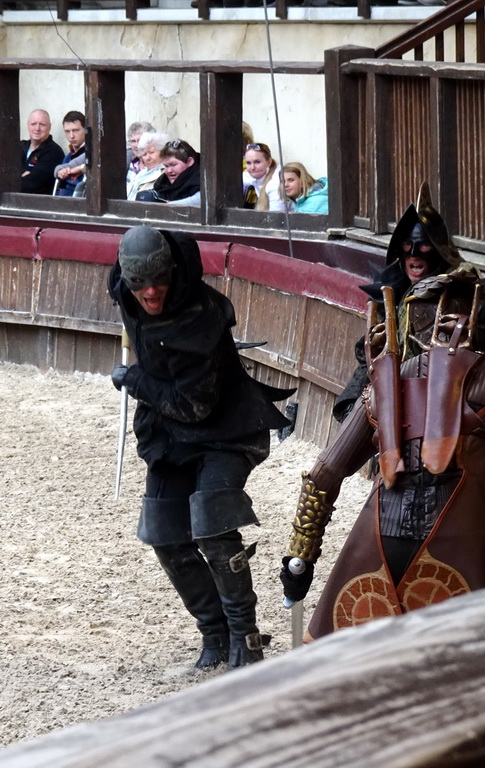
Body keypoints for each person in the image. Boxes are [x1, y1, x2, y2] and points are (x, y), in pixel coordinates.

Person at [279, 269, 485, 641]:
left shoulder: (382, 385)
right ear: (477, 320)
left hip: (379, 542)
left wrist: (301, 556)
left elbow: (327, 471)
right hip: (466, 542)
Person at [108, 226, 293, 670]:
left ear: (174, 271)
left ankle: (245, 641)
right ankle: (215, 634)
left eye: (158, 281)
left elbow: (193, 406)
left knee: (212, 522)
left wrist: (133, 380)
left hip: (225, 427)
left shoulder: (201, 317)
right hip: (169, 434)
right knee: (164, 533)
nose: (150, 293)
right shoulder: (124, 288)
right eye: (139, 284)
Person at [332, 185, 465, 422]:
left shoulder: (461, 286)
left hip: (450, 384)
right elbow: (370, 359)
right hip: (393, 384)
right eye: (408, 246)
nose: (414, 254)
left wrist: (459, 328)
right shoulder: (392, 296)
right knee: (353, 421)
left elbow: (481, 328)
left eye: (423, 246)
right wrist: (374, 346)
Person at [19, 109, 64, 194]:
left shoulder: (53, 152)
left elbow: (30, 185)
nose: (37, 128)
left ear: (49, 127)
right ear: (28, 125)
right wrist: (24, 174)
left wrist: (14, 177)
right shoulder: (19, 146)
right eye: (33, 124)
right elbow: (1, 173)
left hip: (37, 204)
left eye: (42, 125)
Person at [151, 140, 202, 206]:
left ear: (190, 162)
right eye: (166, 166)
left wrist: (165, 207)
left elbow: (201, 200)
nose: (169, 170)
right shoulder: (161, 184)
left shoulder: (202, 180)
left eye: (173, 165)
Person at [126, 131, 169, 202]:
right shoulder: (142, 173)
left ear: (163, 152)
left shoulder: (166, 173)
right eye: (144, 154)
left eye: (151, 152)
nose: (148, 158)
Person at [241, 142, 285, 212]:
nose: (252, 167)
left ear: (269, 162)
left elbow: (276, 217)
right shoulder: (253, 174)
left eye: (257, 162)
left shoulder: (275, 184)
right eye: (248, 163)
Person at [53, 110, 88, 197]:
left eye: (75, 130)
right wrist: (59, 172)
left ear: (85, 129)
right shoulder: (68, 156)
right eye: (67, 131)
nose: (71, 136)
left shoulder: (91, 153)